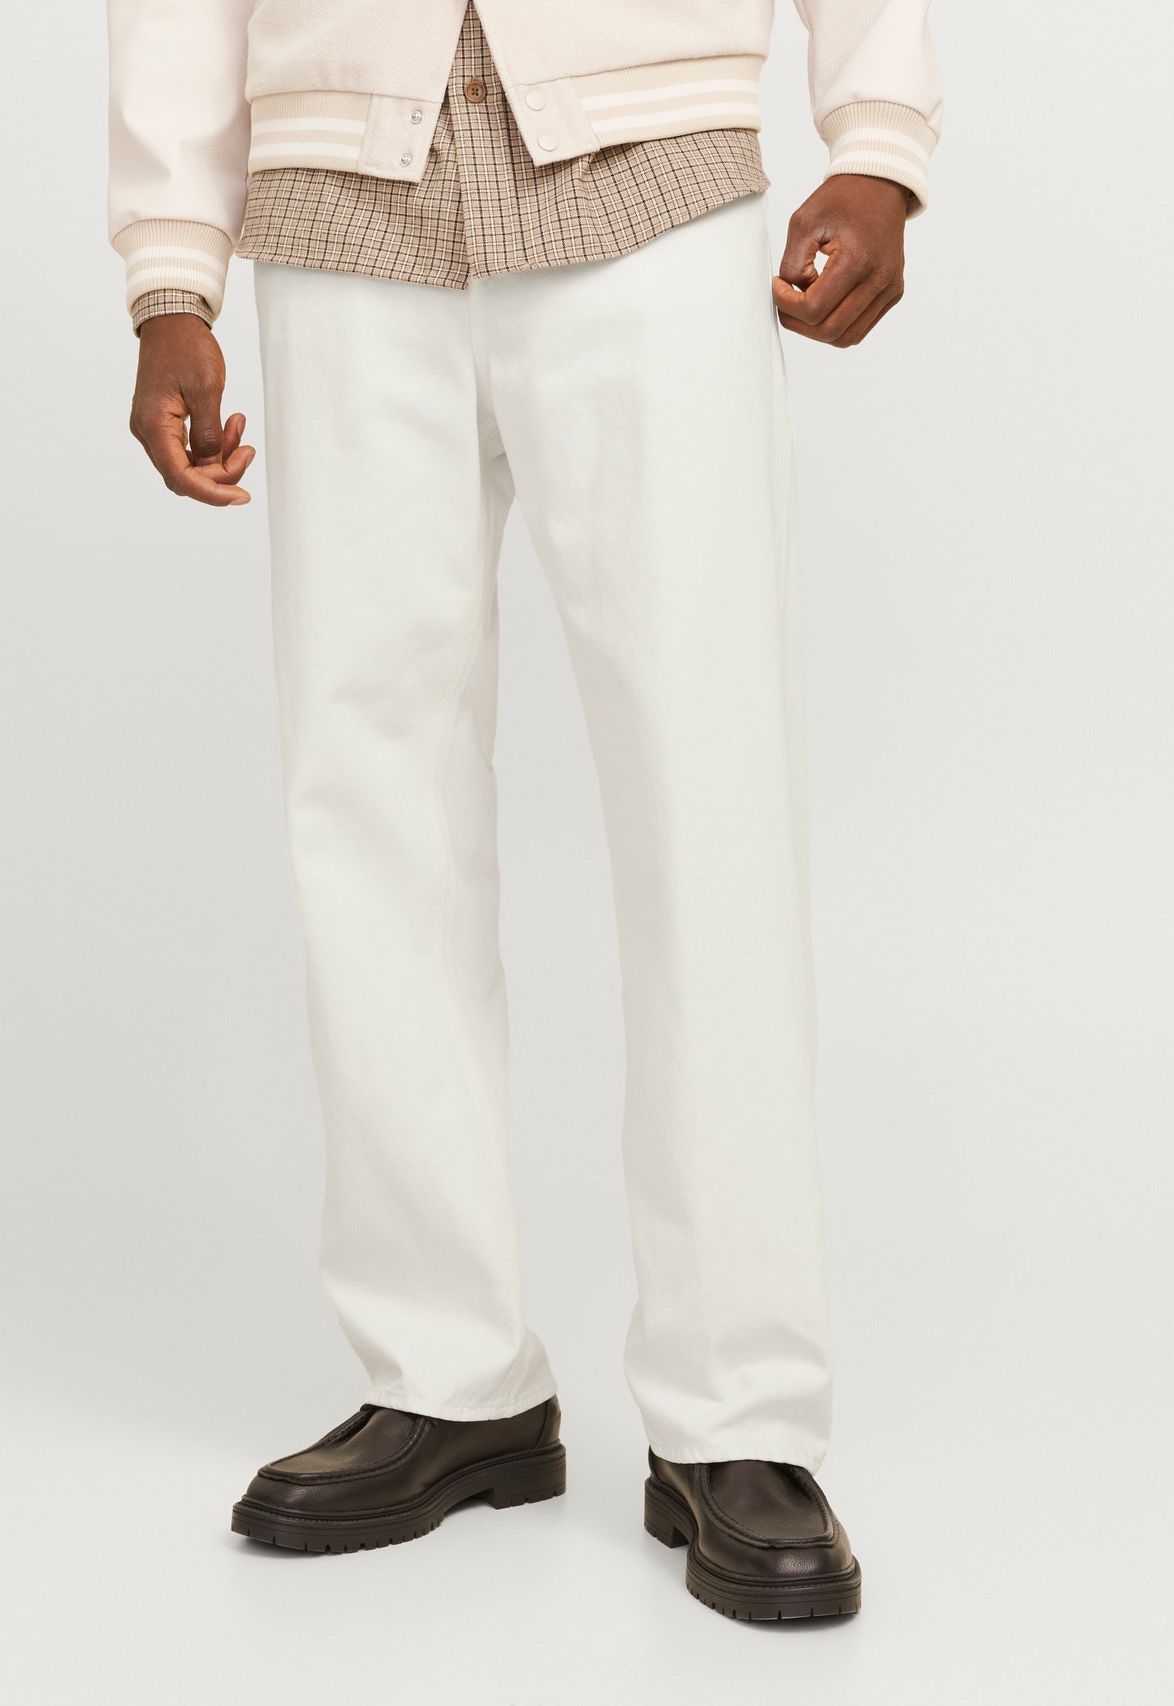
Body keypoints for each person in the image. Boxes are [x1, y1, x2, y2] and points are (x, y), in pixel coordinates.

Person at [108, 0, 940, 1621]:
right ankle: (447, 1373)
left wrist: (881, 139)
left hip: (651, 173)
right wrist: (170, 272)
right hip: (342, 204)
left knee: (707, 790)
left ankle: (740, 1408)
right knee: (368, 800)